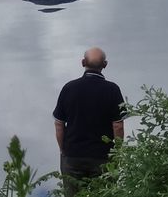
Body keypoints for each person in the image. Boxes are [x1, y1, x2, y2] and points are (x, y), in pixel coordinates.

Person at [52, 46, 125, 195]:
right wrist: (117, 152)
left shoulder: (69, 88)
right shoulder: (112, 90)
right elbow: (118, 126)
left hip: (73, 155)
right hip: (103, 157)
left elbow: (59, 124)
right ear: (105, 65)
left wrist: (63, 149)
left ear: (82, 62)